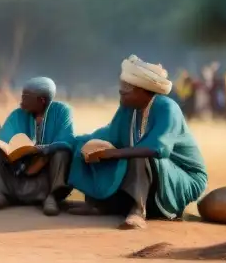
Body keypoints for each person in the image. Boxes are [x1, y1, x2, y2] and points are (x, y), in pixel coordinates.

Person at [68, 55, 208, 230]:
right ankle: (97, 202)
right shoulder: (128, 109)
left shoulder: (168, 108)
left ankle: (137, 210)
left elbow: (157, 148)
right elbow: (110, 135)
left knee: (139, 153)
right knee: (92, 146)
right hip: (149, 170)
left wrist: (114, 153)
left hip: (184, 177)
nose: (121, 91)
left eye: (127, 87)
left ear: (143, 90)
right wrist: (80, 143)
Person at [0, 77, 75, 216]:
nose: (21, 100)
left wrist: (41, 149)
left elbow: (67, 140)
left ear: (41, 100)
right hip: (18, 171)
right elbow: (4, 140)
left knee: (62, 152)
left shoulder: (62, 111)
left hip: (46, 173)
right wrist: (10, 150)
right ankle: (4, 194)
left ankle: (52, 198)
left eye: (26, 97)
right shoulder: (17, 114)